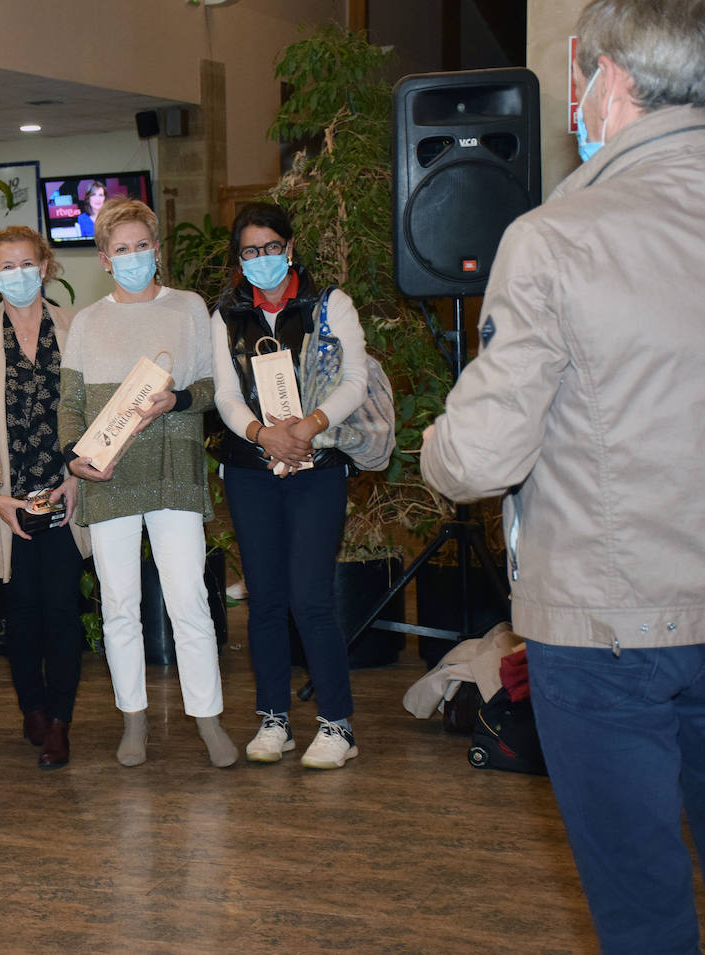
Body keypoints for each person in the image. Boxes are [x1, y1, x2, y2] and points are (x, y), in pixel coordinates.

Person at [419, 3, 705, 950]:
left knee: (644, 909)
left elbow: (483, 457)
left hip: (607, 628)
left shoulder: (555, 237)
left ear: (611, 77)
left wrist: (433, 445)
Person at [57, 197, 237, 769]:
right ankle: (132, 720)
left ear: (156, 251)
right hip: (108, 476)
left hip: (173, 472)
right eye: (120, 249)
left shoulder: (189, 308)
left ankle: (208, 719)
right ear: (104, 260)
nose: (133, 257)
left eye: (142, 246)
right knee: (119, 606)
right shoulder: (87, 322)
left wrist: (177, 400)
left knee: (189, 601)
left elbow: (213, 390)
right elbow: (70, 405)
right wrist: (74, 458)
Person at [210, 201, 369, 769]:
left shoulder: (330, 304)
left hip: (317, 468)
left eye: (271, 247)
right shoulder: (227, 313)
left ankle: (336, 724)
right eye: (250, 251)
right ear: (240, 258)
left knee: (310, 596)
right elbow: (226, 395)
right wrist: (262, 434)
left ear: (290, 248)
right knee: (266, 599)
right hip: (252, 471)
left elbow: (356, 379)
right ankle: (273, 718)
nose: (262, 259)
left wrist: (308, 426)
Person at [0, 226, 90, 768]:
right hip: (8, 500)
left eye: (26, 263)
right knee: (22, 611)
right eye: (5, 267)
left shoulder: (77, 329)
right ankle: (30, 707)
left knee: (62, 610)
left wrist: (77, 479)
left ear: (46, 266)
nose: (17, 274)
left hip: (67, 490)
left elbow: (91, 409)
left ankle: (59, 720)